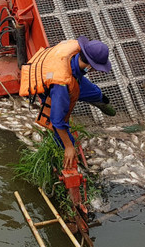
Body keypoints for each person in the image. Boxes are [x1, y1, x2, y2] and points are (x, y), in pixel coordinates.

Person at [19, 36, 116, 168]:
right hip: (52, 84)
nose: (96, 71)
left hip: (72, 73)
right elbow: (57, 121)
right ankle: (62, 159)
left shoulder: (76, 49)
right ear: (88, 66)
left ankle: (101, 103)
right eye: (96, 68)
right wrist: (69, 147)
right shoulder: (62, 86)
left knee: (96, 93)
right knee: (62, 134)